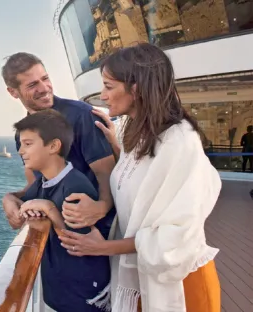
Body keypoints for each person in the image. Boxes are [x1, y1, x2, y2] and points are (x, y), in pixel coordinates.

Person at [57, 43, 222, 312]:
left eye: (109, 86)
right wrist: (116, 146)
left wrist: (102, 247)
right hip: (142, 282)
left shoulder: (180, 141)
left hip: (181, 286)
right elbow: (141, 182)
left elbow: (176, 238)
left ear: (136, 89)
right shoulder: (137, 134)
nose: (103, 95)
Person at [0, 52, 116, 231]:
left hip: (95, 231)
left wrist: (102, 207)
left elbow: (106, 172)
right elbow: (36, 183)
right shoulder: (23, 135)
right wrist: (11, 198)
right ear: (13, 92)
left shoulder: (82, 115)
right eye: (32, 85)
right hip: (57, 231)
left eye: (45, 78)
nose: (44, 88)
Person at [14, 110, 115, 311]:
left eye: (27, 144)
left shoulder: (75, 187)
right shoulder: (44, 182)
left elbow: (78, 244)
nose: (20, 151)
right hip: (63, 290)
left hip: (83, 294)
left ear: (53, 146)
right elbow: (22, 205)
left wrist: (49, 209)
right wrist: (9, 199)